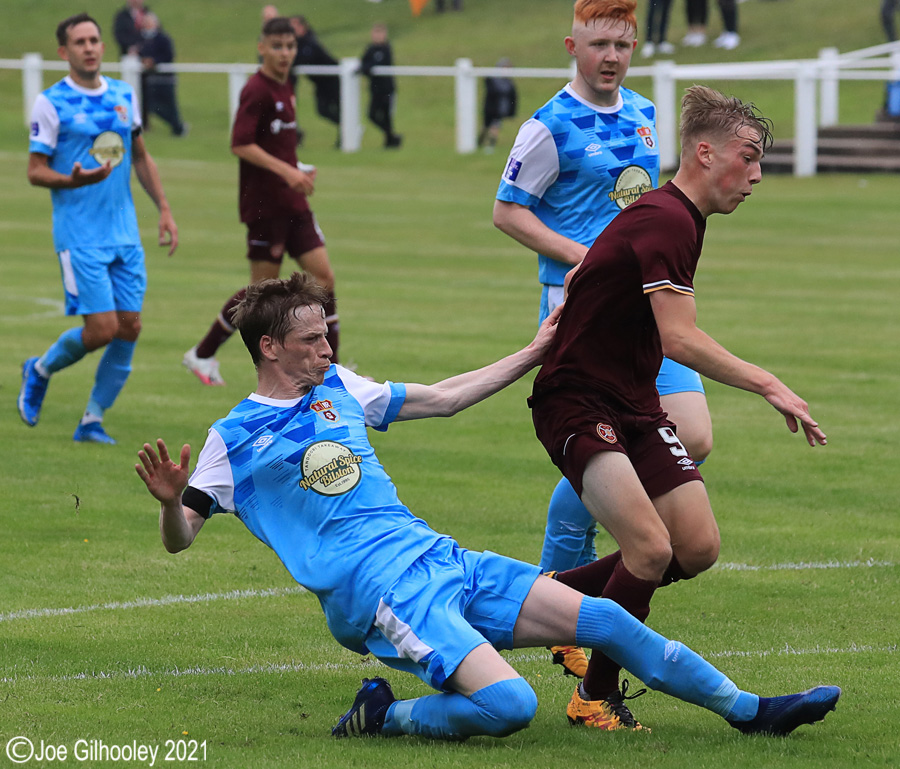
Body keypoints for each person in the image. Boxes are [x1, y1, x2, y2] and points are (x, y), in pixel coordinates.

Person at [136, 272, 840, 740]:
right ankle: (384, 715)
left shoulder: (340, 387)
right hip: (376, 593)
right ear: (269, 347)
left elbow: (442, 398)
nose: (327, 346)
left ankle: (751, 712)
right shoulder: (234, 438)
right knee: (510, 707)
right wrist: (173, 502)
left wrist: (534, 351)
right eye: (312, 338)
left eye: (327, 333)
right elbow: (182, 536)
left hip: (436, 555)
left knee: (606, 619)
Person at [529, 84, 828, 731]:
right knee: (647, 549)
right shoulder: (668, 218)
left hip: (633, 402)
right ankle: (593, 696)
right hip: (578, 401)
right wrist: (769, 382)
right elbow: (678, 336)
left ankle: (544, 596)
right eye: (746, 158)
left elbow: (593, 276)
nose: (754, 176)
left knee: (695, 547)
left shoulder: (674, 218)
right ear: (703, 152)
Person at [493, 0, 713, 683]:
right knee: (639, 474)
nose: (611, 57)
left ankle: (561, 578)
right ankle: (569, 572)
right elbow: (507, 211)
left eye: (622, 44)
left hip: (642, 317)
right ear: (572, 46)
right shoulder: (547, 127)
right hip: (581, 318)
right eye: (598, 45)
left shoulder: (647, 114)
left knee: (695, 434)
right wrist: (578, 254)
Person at [19, 12, 178, 445]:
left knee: (130, 326)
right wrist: (74, 179)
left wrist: (163, 207)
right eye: (79, 42)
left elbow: (140, 156)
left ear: (101, 47)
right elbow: (35, 171)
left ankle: (92, 420)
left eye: (94, 40)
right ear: (64, 51)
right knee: (102, 330)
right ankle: (39, 369)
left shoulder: (124, 95)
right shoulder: (51, 102)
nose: (89, 47)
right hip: (80, 235)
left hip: (124, 232)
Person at [182, 16, 339, 386]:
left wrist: (298, 168)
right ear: (262, 47)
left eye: (290, 46)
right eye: (277, 46)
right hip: (266, 206)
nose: (285, 53)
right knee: (260, 293)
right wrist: (287, 173)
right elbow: (241, 143)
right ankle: (202, 353)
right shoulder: (257, 89)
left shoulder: (287, 86)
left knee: (324, 278)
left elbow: (277, 144)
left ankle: (333, 370)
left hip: (293, 203)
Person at [290, 16, 341, 136]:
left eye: (294, 26)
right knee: (322, 110)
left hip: (332, 80)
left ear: (303, 27)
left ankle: (348, 129)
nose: (292, 29)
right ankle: (346, 127)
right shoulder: (298, 43)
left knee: (336, 109)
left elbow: (303, 59)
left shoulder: (310, 42)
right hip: (320, 83)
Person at [138, 12, 187, 136]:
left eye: (149, 23)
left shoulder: (163, 38)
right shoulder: (142, 39)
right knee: (152, 106)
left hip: (166, 79)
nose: (147, 25)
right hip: (151, 80)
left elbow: (169, 55)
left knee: (170, 106)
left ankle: (178, 128)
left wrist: (154, 61)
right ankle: (178, 126)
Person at [360, 23, 402, 148]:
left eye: (380, 33)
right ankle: (391, 136)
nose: (377, 36)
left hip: (387, 88)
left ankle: (390, 140)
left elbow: (376, 63)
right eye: (375, 33)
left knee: (387, 116)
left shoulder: (386, 48)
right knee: (372, 114)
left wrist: (367, 67)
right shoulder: (370, 49)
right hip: (375, 88)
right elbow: (364, 64)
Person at [477, 58, 517, 153]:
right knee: (486, 127)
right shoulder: (492, 80)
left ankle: (490, 146)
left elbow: (513, 97)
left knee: (495, 127)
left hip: (500, 109)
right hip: (490, 108)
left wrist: (511, 110)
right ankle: (479, 143)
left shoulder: (509, 82)